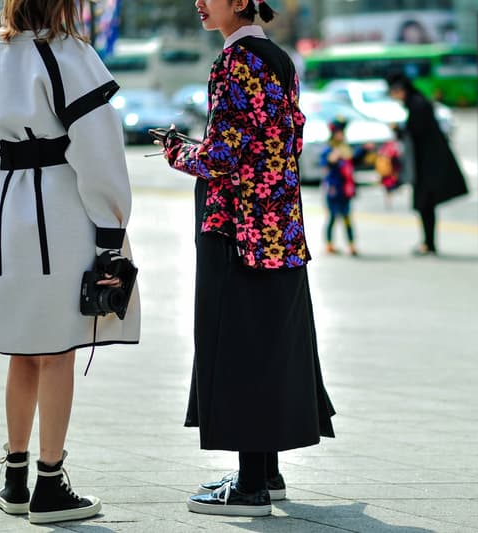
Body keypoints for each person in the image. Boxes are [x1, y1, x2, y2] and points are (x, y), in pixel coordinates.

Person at [0, 0, 139, 524]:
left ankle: (15, 479)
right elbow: (99, 150)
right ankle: (50, 485)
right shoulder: (71, 53)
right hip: (61, 206)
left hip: (6, 208)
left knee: (22, 349)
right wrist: (111, 230)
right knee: (57, 352)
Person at [160, 0, 336, 518]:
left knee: (236, 349)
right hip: (279, 228)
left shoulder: (234, 62)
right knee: (269, 347)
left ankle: (250, 487)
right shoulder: (278, 57)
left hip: (237, 229)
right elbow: (282, 140)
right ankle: (268, 473)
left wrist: (177, 151)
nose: (199, 2)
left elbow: (222, 157)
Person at [387, 72, 467, 255]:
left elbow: (416, 132)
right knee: (426, 205)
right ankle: (428, 242)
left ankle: (429, 243)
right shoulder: (417, 102)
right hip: (427, 163)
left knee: (425, 204)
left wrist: (399, 130)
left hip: (428, 164)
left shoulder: (417, 105)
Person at [321, 118, 362, 255]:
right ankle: (329, 244)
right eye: (339, 132)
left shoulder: (345, 148)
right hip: (333, 188)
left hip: (345, 189)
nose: (341, 135)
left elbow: (354, 160)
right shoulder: (329, 149)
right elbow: (326, 162)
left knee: (347, 217)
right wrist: (334, 156)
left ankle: (351, 245)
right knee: (332, 217)